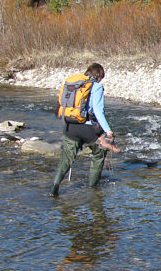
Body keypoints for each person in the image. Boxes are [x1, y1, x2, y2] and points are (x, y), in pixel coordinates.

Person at [50, 63, 119, 196]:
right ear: (99, 76)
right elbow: (98, 111)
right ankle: (92, 189)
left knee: (66, 159)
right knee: (99, 153)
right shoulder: (96, 87)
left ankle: (54, 188)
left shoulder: (74, 84)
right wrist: (108, 130)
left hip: (70, 125)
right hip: (88, 128)